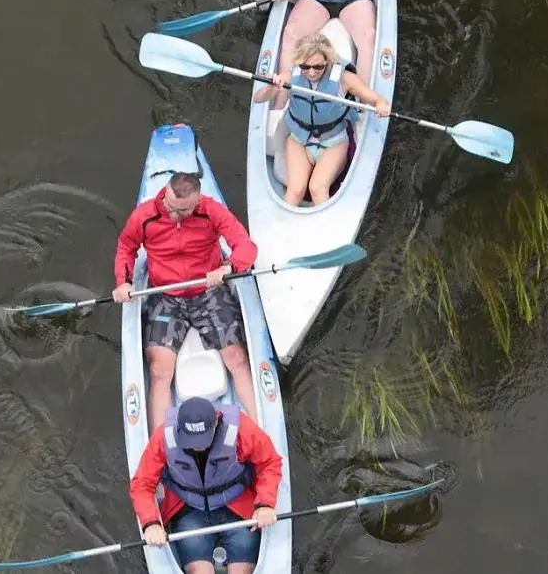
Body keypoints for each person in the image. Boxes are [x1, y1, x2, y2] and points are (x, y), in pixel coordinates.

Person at [113, 172, 259, 430]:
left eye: (181, 211)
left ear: (196, 202)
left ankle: (260, 430)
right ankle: (158, 443)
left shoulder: (212, 211)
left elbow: (246, 247)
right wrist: (123, 282)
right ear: (165, 193)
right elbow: (126, 248)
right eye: (168, 205)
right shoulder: (145, 216)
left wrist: (228, 267)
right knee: (159, 370)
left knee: (237, 358)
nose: (172, 214)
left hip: (208, 290)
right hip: (166, 294)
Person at [130, 397, 283, 573]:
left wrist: (265, 504)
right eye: (191, 440)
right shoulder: (163, 438)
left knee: (241, 570)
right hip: (189, 511)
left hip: (238, 506)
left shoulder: (242, 430)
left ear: (216, 421)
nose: (197, 447)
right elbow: (142, 483)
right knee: (199, 570)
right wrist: (151, 523)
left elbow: (269, 463)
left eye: (202, 439)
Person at [254, 32, 390, 205]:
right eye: (305, 67)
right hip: (298, 139)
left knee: (317, 188)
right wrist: (271, 88)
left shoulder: (344, 78)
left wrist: (382, 105)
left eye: (318, 67)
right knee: (295, 190)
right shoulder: (291, 76)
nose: (311, 73)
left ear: (327, 61)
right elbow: (258, 98)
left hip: (333, 142)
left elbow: (377, 99)